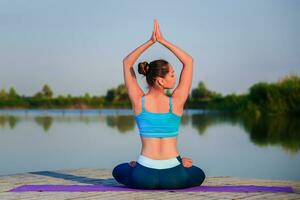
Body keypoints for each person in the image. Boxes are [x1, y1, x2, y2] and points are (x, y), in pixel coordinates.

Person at [112, 19, 205, 189]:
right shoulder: (176, 102)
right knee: (198, 174)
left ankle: (135, 166)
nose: (175, 78)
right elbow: (189, 61)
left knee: (119, 170)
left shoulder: (138, 101)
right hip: (175, 175)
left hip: (143, 176)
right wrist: (163, 41)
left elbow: (127, 63)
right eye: (171, 75)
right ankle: (177, 162)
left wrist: (150, 41)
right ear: (160, 81)